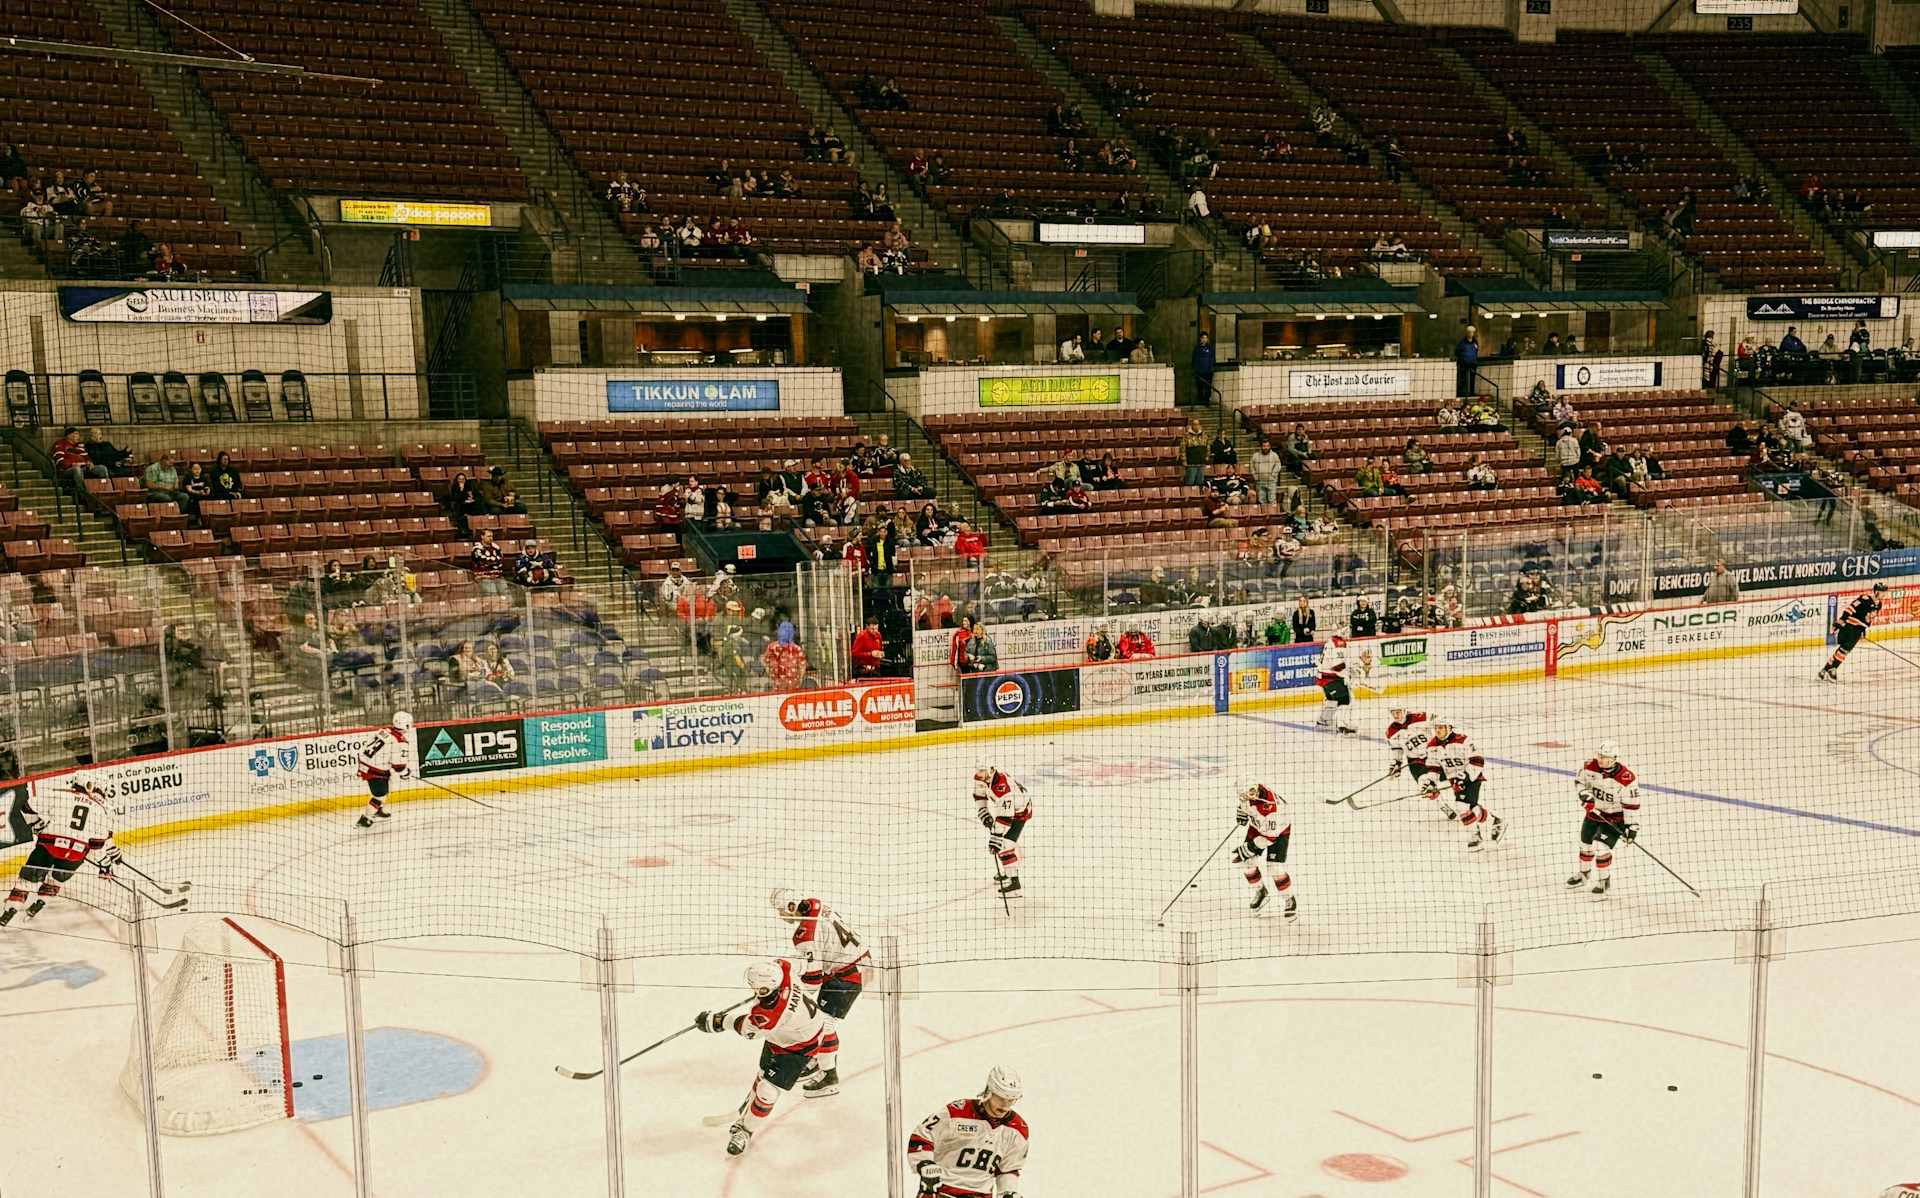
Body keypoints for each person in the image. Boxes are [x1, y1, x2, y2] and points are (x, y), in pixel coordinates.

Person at [697, 958, 828, 1158]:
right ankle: (749, 1111)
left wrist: (718, 1022)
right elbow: (802, 965)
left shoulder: (769, 1013)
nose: (753, 989)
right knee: (763, 1075)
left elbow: (749, 1031)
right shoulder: (782, 970)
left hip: (796, 1047)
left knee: (768, 1091)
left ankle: (745, 1131)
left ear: (766, 990)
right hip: (792, 1033)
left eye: (756, 988)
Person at [769, 889, 869, 1098]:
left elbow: (813, 981)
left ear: (791, 907)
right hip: (857, 962)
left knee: (823, 1022)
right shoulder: (815, 905)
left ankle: (829, 1078)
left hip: (848, 975)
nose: (781, 916)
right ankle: (817, 1060)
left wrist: (787, 985)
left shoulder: (805, 935)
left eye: (781, 911)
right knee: (817, 1018)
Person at [0, 773, 120, 927]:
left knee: (26, 882)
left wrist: (37, 825)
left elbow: (26, 807)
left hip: (48, 846)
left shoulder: (59, 794)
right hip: (75, 855)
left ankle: (9, 910)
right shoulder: (101, 809)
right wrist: (105, 866)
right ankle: (41, 901)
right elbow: (98, 844)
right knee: (56, 880)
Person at [908, 1067, 1029, 1198]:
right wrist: (925, 1164)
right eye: (1001, 1098)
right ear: (989, 1092)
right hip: (942, 1190)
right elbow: (921, 1136)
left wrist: (1008, 1192)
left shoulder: (1017, 1129)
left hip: (980, 1195)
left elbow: (1008, 1169)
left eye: (1010, 1100)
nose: (1005, 1105)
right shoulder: (957, 1112)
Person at [1569, 739, 1640, 898]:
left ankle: (1603, 881)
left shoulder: (1626, 779)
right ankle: (1583, 874)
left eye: (1604, 757)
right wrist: (1584, 793)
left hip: (1613, 820)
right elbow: (1580, 782)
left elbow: (1631, 806)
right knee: (1585, 845)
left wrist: (1631, 827)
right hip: (1593, 815)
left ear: (1614, 758)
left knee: (1601, 847)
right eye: (1599, 756)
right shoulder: (1589, 766)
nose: (1600, 759)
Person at [1427, 715, 1505, 851]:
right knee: (1471, 808)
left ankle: (1476, 837)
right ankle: (1495, 822)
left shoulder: (1463, 740)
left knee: (1462, 807)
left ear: (1449, 728)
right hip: (1455, 781)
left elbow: (1477, 760)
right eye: (1436, 728)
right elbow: (1433, 767)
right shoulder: (1432, 746)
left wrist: (1464, 778)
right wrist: (1430, 783)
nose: (1438, 731)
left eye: (1441, 728)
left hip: (1472, 778)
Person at [1231, 778, 1297, 919]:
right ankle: (1261, 892)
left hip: (1278, 834)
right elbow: (1245, 803)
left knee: (1274, 869)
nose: (1243, 797)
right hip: (1258, 827)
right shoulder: (1253, 791)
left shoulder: (1272, 808)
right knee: (1246, 862)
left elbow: (1269, 837)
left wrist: (1248, 848)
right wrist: (1242, 813)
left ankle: (1289, 899)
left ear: (1253, 791)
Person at [974, 761, 1033, 902]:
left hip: (1020, 812)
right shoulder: (984, 778)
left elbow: (1005, 818)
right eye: (978, 770)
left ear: (991, 770)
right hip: (1010, 811)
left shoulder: (1003, 789)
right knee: (1001, 845)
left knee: (1004, 846)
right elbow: (979, 795)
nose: (979, 773)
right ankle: (1008, 873)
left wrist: (995, 838)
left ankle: (1015, 885)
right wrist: (983, 811)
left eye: (982, 770)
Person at [1385, 705, 1450, 818]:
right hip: (1415, 762)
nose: (1396, 715)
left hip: (1433, 756)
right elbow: (1397, 749)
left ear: (1404, 710)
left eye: (1398, 712)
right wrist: (1397, 763)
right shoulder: (1391, 731)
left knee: (1453, 776)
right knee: (1424, 786)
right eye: (1393, 713)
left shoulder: (1421, 717)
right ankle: (1443, 806)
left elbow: (1441, 722)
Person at [354, 711, 414, 828]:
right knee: (380, 795)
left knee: (387, 785)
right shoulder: (400, 742)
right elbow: (399, 767)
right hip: (375, 770)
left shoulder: (384, 730)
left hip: (365, 763)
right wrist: (406, 773)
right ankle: (366, 818)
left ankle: (378, 811)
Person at [1820, 581, 1886, 681]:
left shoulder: (1879, 605)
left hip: (1857, 630)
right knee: (1844, 650)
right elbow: (1850, 608)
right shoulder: (1865, 599)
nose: (1884, 594)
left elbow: (1867, 618)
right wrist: (1841, 620)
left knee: (1843, 650)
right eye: (1882, 592)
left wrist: (1863, 628)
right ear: (1876, 592)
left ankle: (1825, 670)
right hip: (1849, 627)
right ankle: (1832, 669)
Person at [1315, 634, 1358, 734]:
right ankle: (1342, 725)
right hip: (1331, 677)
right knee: (1346, 699)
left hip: (1323, 676)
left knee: (1332, 699)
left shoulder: (1330, 641)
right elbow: (1337, 666)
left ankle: (1324, 720)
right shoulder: (1339, 643)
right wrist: (1349, 671)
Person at [764, 620, 808, 689]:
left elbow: (766, 664)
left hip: (776, 684)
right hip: (793, 684)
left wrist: (771, 676)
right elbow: (802, 666)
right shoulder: (796, 648)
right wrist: (800, 678)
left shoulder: (771, 647)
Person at [470, 529, 506, 596]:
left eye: (491, 536)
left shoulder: (496, 548)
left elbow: (501, 561)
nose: (490, 538)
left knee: (505, 592)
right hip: (483, 576)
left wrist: (491, 563)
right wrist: (494, 562)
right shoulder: (476, 549)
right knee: (493, 593)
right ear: (482, 536)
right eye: (488, 536)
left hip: (497, 575)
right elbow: (483, 562)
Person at [1248, 438, 1283, 506]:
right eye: (1264, 446)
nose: (1265, 448)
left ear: (1270, 446)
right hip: (1260, 481)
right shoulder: (1255, 456)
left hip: (1271, 481)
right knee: (1261, 500)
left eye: (1267, 446)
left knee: (1272, 500)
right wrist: (1255, 476)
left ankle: (1273, 515)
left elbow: (1278, 466)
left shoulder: (1274, 455)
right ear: (1261, 446)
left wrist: (1273, 475)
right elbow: (1251, 466)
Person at [1454, 325, 1480, 398]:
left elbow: (1476, 350)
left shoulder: (1475, 342)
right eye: (1469, 332)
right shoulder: (1462, 342)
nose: (1471, 334)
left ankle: (1472, 391)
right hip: (1464, 362)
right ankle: (1461, 391)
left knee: (1472, 378)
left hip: (1473, 362)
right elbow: (1457, 351)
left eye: (1472, 332)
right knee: (1463, 377)